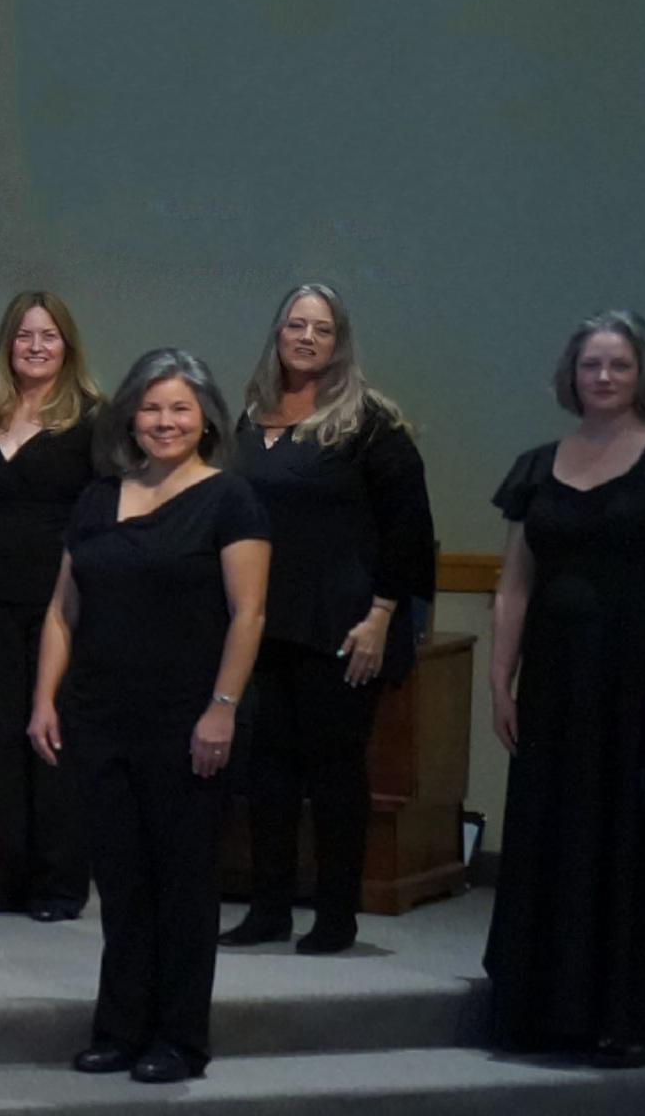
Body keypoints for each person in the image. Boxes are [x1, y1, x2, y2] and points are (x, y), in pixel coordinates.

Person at [482, 311, 645, 1066]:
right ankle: (547, 1010)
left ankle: (633, 1016)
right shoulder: (536, 466)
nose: (605, 377)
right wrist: (500, 679)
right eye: (592, 365)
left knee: (636, 846)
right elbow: (513, 585)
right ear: (571, 375)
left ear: (642, 374)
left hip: (641, 680)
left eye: (619, 364)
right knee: (555, 836)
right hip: (556, 685)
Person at [33, 348, 270, 1085]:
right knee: (122, 881)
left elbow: (249, 613)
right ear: (128, 417)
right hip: (100, 715)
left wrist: (221, 709)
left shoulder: (231, 498)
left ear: (205, 419)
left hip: (189, 719)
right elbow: (63, 610)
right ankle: (120, 1027)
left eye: (180, 409)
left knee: (182, 882)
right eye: (151, 408)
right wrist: (44, 698)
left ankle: (179, 1038)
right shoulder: (98, 499)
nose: (164, 422)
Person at [222, 282, 434, 955]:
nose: (307, 338)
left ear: (339, 341)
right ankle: (269, 910)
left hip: (346, 625)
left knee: (335, 770)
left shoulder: (373, 422)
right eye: (295, 325)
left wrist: (381, 617)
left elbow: (410, 530)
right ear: (277, 334)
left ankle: (336, 916)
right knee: (269, 770)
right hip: (267, 623)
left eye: (321, 328)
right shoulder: (251, 417)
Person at [0, 291, 100, 920]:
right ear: (7, 346)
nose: (35, 347)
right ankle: (13, 878)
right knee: (4, 743)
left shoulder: (92, 421)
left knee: (52, 741)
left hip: (62, 610)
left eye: (48, 336)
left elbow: (101, 520)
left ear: (68, 345)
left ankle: (61, 884)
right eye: (23, 336)